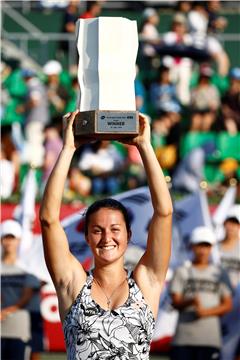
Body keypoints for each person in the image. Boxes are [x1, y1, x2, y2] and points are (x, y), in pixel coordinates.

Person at [40, 111, 173, 358]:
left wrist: (144, 146)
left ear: (128, 233)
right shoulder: (73, 284)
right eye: (97, 230)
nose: (106, 238)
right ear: (87, 237)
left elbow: (164, 212)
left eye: (115, 229)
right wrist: (68, 148)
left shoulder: (146, 282)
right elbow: (48, 220)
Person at [170, 226, 232, 360]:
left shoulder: (220, 273)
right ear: (192, 246)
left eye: (206, 246)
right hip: (183, 339)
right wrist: (190, 301)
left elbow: (227, 304)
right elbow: (175, 302)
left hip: (210, 340)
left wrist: (206, 312)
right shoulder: (182, 271)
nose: (203, 250)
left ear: (211, 248)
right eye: (199, 245)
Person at [0, 220, 38, 360]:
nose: (9, 242)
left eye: (12, 238)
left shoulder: (27, 267)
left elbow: (26, 297)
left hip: (19, 330)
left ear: (18, 240)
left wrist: (5, 312)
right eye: (5, 238)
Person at [218, 205, 240, 360]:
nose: (231, 227)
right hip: (215, 299)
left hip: (236, 301)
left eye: (235, 223)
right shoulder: (213, 247)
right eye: (229, 222)